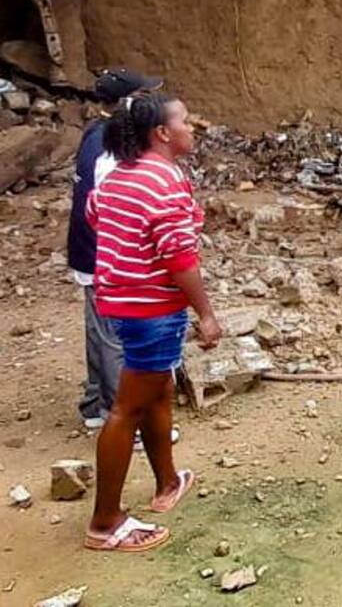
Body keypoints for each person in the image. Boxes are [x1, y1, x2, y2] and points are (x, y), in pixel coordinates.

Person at [84, 92, 222, 553]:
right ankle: (106, 521)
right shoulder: (164, 182)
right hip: (152, 311)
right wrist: (205, 313)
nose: (192, 127)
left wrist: (126, 263)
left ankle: (166, 482)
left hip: (121, 302)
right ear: (162, 133)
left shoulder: (120, 175)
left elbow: (95, 215)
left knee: (157, 390)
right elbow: (180, 257)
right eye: (184, 120)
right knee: (127, 408)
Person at [69, 68, 163, 430]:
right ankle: (123, 418)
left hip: (88, 251)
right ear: (126, 101)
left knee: (98, 328)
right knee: (115, 337)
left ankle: (95, 404)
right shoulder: (110, 148)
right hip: (104, 255)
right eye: (143, 96)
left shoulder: (95, 134)